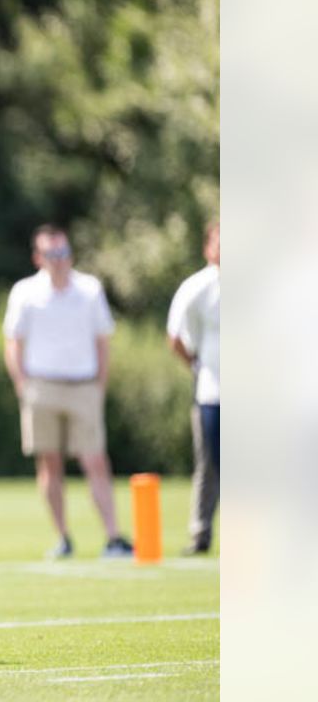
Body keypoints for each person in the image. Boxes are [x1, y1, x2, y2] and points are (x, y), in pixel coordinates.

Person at [2, 225, 134, 559]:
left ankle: (113, 536)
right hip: (42, 386)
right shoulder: (25, 292)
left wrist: (99, 385)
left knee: (95, 460)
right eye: (51, 254)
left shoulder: (89, 289)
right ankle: (63, 537)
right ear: (38, 258)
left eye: (63, 252)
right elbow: (13, 342)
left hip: (82, 385)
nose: (59, 260)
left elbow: (102, 341)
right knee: (50, 464)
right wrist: (22, 384)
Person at [167, 222, 220, 555]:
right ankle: (200, 533)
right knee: (210, 464)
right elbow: (175, 337)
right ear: (208, 247)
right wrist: (197, 366)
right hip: (213, 392)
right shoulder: (198, 287)